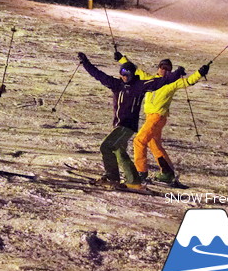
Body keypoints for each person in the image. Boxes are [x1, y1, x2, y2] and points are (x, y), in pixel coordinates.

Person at [77, 52, 184, 189]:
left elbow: (160, 82)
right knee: (119, 151)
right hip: (118, 125)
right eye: (122, 72)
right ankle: (130, 181)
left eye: (127, 73)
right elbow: (98, 75)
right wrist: (85, 62)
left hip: (127, 126)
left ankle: (116, 177)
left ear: (133, 74)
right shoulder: (116, 84)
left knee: (107, 146)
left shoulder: (139, 86)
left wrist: (176, 73)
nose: (124, 76)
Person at [114, 52, 210, 183]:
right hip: (150, 117)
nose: (164, 70)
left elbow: (188, 81)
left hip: (158, 117)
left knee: (139, 141)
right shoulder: (149, 79)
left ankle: (140, 172)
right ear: (158, 68)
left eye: (167, 69)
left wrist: (200, 73)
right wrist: (121, 59)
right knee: (154, 143)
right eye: (162, 67)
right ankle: (167, 172)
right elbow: (134, 70)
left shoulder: (171, 84)